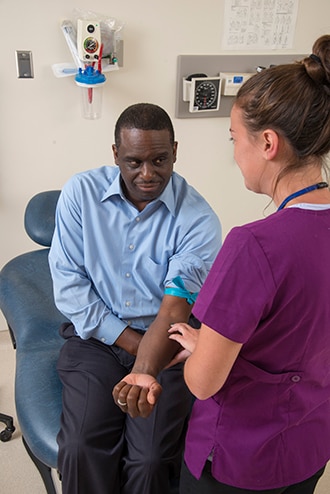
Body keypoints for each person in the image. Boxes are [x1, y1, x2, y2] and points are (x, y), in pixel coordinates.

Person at [116, 36, 330, 493]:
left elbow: (203, 383)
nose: (235, 155)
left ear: (268, 143)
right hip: (310, 444)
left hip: (240, 460)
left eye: (235, 139)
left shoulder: (254, 245)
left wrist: (205, 348)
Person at [48, 102, 221, 494]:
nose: (147, 174)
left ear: (175, 151)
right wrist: (138, 347)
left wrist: (150, 361)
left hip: (169, 341)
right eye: (134, 162)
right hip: (96, 341)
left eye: (160, 159)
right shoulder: (80, 193)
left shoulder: (198, 219)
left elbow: (176, 307)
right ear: (115, 155)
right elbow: (70, 286)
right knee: (80, 446)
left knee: (151, 459)